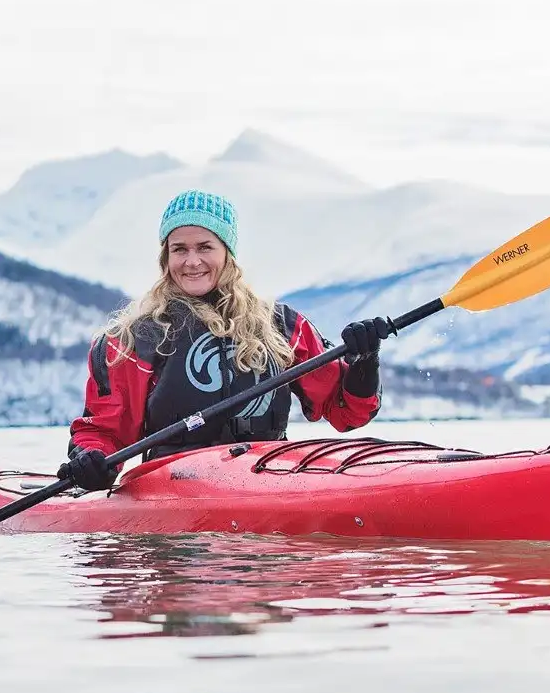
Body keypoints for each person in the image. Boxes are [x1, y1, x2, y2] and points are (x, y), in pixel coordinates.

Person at [61, 190, 391, 491]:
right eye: (179, 249)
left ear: (228, 253)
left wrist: (365, 360)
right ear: (166, 259)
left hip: (268, 479)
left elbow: (347, 413)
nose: (192, 261)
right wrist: (92, 461)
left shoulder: (283, 326)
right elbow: (105, 431)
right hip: (173, 487)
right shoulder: (134, 339)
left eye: (205, 247)